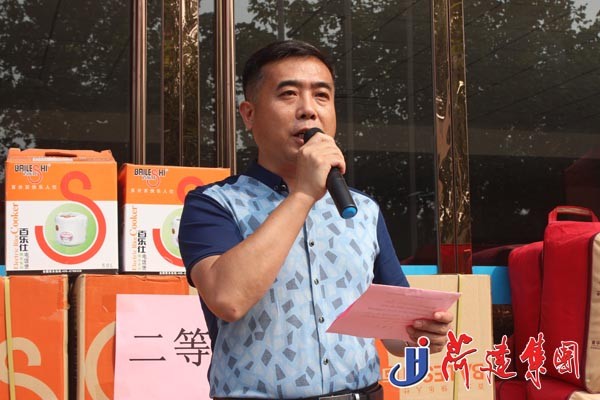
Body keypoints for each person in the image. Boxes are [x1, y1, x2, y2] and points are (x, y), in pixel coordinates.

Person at [179, 39, 453, 400]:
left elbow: (395, 331)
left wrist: (420, 334)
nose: (308, 110)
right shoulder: (212, 204)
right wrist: (304, 195)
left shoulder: (364, 210)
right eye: (288, 94)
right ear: (249, 114)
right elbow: (228, 298)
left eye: (321, 96)